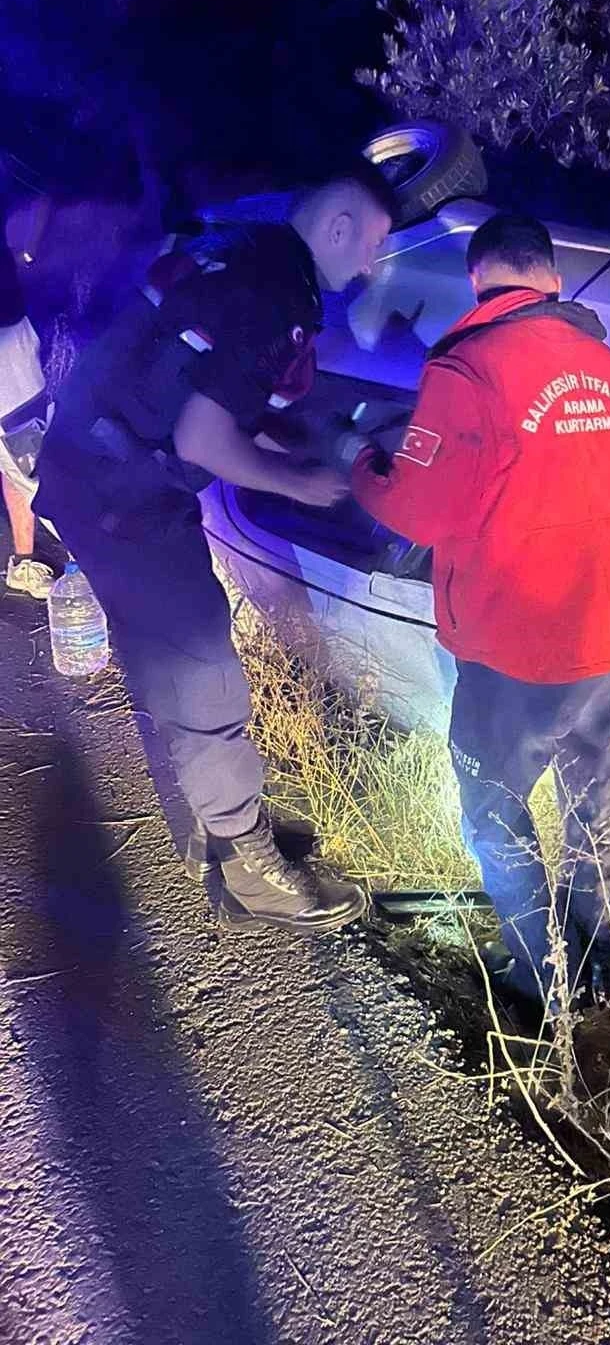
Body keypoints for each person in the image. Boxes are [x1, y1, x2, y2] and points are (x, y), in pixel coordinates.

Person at [34, 165, 396, 935]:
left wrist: (300, 443)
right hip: (124, 496)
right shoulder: (277, 295)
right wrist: (300, 483)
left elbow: (206, 391)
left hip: (91, 468)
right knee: (204, 670)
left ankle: (219, 819)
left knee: (172, 652)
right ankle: (248, 869)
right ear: (337, 226)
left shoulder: (241, 248)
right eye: (372, 243)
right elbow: (205, 438)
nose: (370, 264)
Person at [352, 213, 610, 1014]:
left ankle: (542, 973)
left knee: (493, 809)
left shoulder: (468, 367)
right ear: (552, 280)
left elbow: (418, 511)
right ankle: (608, 959)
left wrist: (363, 466)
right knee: (601, 804)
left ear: (476, 278)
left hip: (519, 640)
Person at [0, 195, 54, 598]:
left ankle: (23, 561)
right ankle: (95, 559)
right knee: (26, 453)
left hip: (13, 327)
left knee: (16, 453)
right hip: (6, 345)